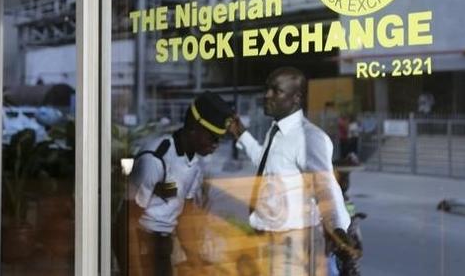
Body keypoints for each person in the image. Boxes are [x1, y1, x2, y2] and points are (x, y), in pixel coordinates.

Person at [228, 67, 360, 275]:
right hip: (268, 239)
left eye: (276, 91)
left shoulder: (308, 138)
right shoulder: (277, 131)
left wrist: (337, 230)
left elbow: (324, 187)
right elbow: (265, 162)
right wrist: (241, 134)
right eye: (267, 89)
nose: (267, 95)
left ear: (296, 98)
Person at [126, 91, 234, 275]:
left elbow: (184, 217)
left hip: (164, 247)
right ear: (193, 128)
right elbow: (126, 223)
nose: (216, 144)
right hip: (142, 246)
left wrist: (195, 262)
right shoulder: (155, 159)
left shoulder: (194, 164)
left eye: (219, 139)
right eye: (212, 137)